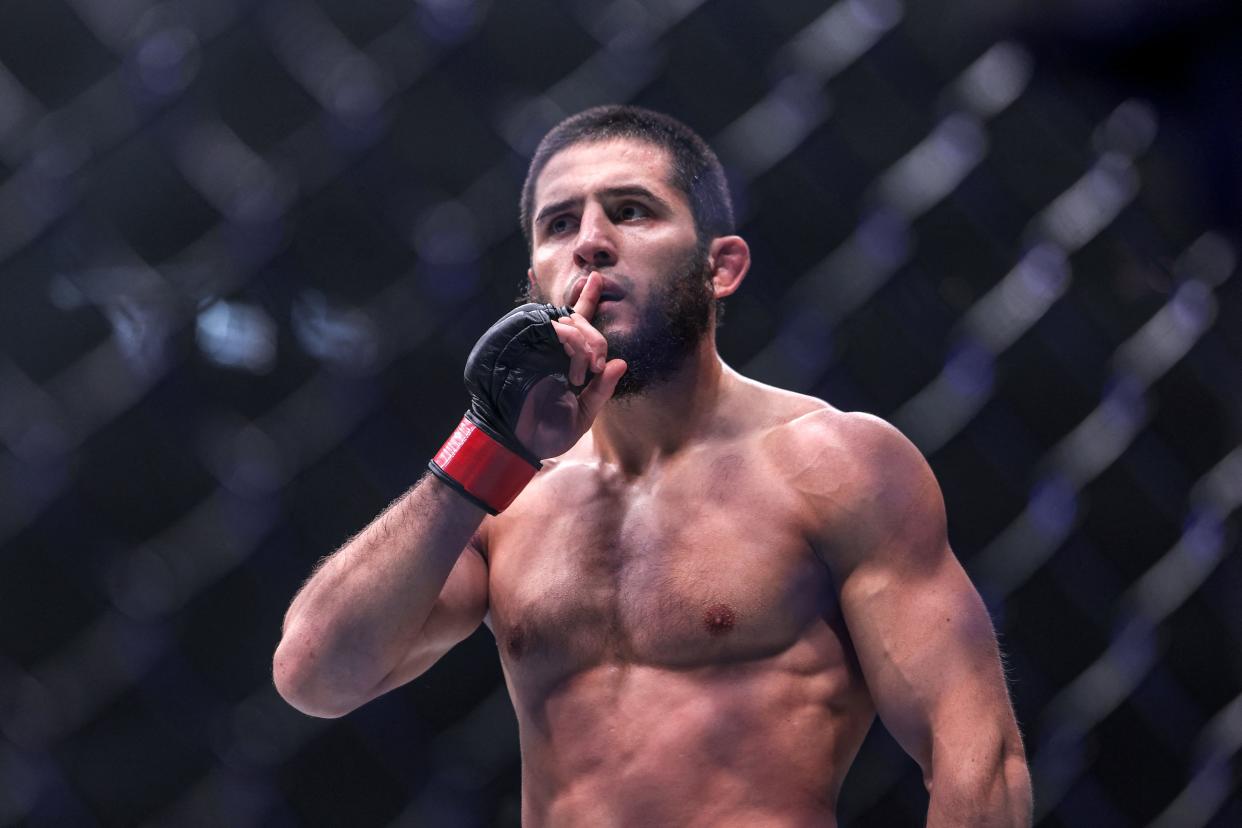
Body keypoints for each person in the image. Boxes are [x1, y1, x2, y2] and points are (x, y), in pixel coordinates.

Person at [273, 105, 1033, 826]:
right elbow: (316, 675)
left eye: (631, 210)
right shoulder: (505, 494)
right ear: (535, 278)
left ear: (720, 267)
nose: (591, 243)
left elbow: (976, 758)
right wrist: (484, 445)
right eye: (559, 224)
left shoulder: (831, 462)